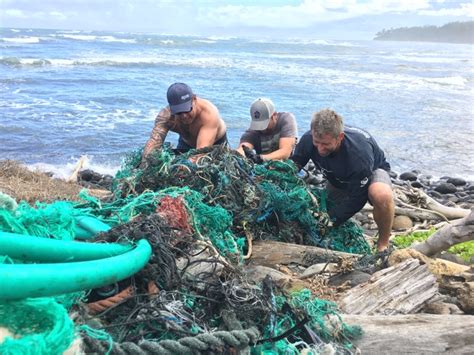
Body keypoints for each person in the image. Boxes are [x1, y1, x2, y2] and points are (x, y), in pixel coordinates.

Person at [291, 109, 394, 252]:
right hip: (337, 178)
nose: (320, 149)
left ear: (340, 137)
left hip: (371, 172)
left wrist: (333, 219)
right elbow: (295, 164)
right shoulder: (309, 139)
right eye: (317, 142)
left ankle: (383, 244)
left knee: (380, 195)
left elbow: (358, 197)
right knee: (320, 214)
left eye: (325, 144)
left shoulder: (358, 154)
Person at [143, 83, 227, 158]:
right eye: (179, 112)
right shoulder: (166, 117)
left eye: (187, 110)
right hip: (186, 143)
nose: (184, 116)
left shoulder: (209, 114)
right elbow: (153, 146)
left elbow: (200, 155)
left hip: (216, 144)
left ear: (194, 99)